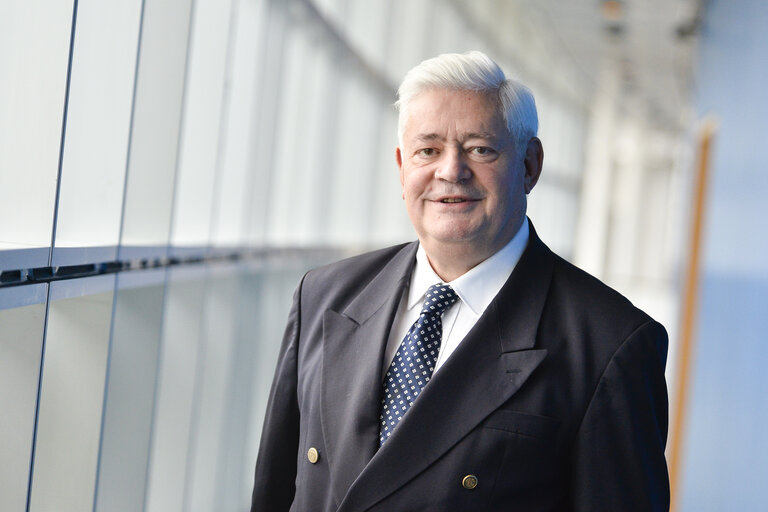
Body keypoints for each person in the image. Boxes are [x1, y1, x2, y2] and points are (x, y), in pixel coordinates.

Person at [251, 51, 669, 511]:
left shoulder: (611, 345)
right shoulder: (324, 295)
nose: (451, 170)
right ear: (402, 167)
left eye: (480, 149)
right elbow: (273, 491)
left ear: (530, 165)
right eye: (427, 150)